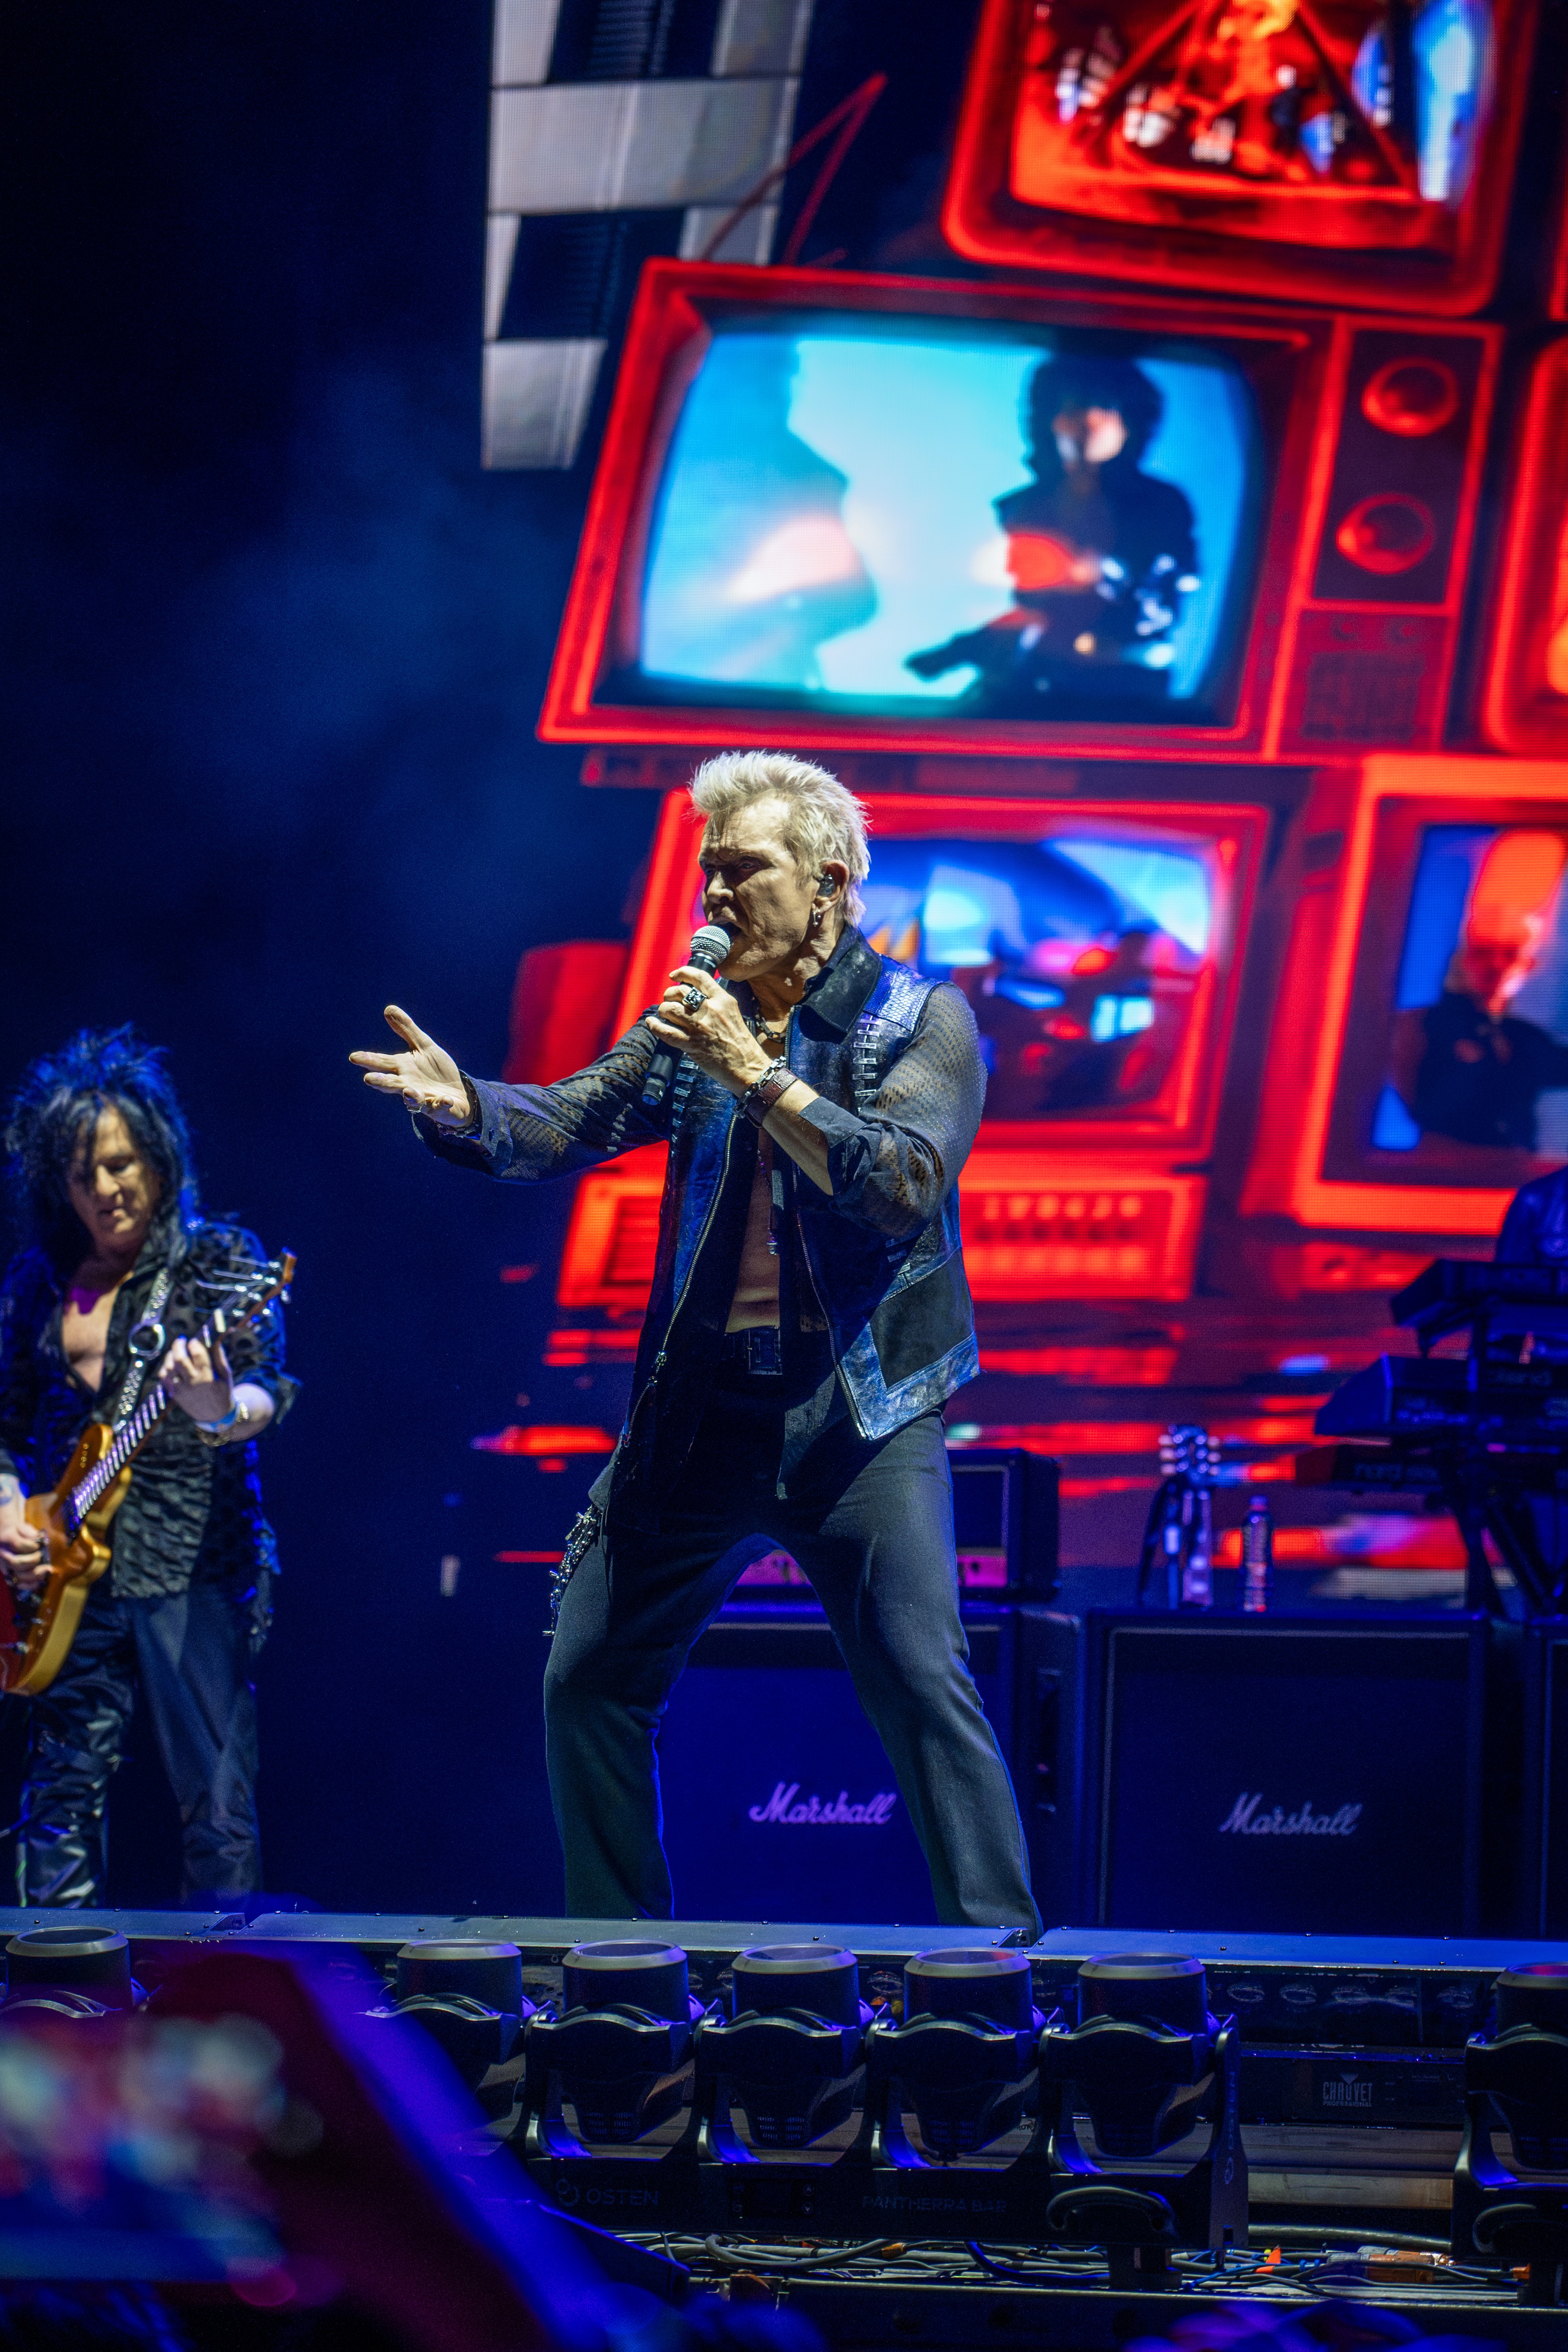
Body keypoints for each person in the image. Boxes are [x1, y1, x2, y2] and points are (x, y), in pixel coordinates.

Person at [352, 751, 1040, 1931]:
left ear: (827, 885)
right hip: (705, 1411)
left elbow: (900, 1185)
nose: (715, 895)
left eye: (744, 870)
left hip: (860, 1418)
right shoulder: (694, 1021)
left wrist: (756, 1074)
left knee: (923, 1684)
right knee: (589, 1677)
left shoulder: (921, 1018)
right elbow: (572, 1114)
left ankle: (999, 1966)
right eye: (709, 871)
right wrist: (469, 1104)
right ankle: (623, 1964)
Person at [0, 1028, 293, 1907]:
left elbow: (268, 1390)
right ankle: (53, 1982)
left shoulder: (218, 1263)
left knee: (216, 1805)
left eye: (122, 1164)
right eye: (83, 1174)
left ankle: (224, 1981)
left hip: (192, 1566)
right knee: (55, 1799)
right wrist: (10, 1507)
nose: (106, 1189)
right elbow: (6, 1425)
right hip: (63, 1577)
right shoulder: (37, 1283)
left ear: (161, 1161)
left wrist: (218, 1411)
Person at [905, 352, 1198, 715]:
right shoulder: (1024, 508)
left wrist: (1098, 573)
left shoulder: (1163, 506)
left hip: (1123, 691)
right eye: (1074, 409)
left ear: (1132, 422)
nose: (1089, 423)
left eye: (1105, 410)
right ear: (1050, 419)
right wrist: (959, 651)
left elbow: (1164, 592)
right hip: (1034, 679)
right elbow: (1034, 613)